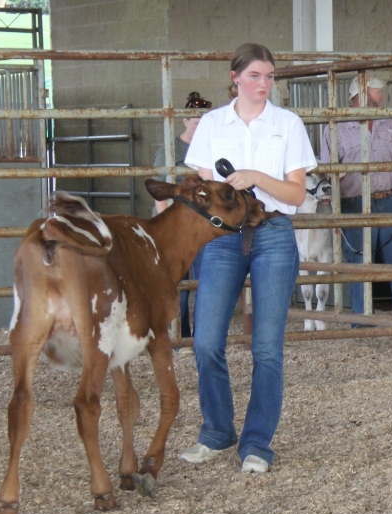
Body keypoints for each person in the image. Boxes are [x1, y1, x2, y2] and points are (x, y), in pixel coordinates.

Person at [180, 43, 317, 472]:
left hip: (273, 232)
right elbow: (199, 185)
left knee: (267, 346)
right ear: (235, 77)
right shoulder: (212, 124)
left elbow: (296, 192)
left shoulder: (288, 124)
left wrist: (258, 177)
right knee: (205, 341)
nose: (263, 84)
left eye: (270, 76)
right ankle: (217, 432)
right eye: (255, 76)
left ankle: (256, 443)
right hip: (222, 236)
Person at [319, 76, 392, 320]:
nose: (382, 97)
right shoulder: (335, 127)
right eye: (377, 93)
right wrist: (335, 180)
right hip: (354, 202)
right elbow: (327, 169)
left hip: (390, 200)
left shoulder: (390, 122)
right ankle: (363, 320)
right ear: (361, 94)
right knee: (359, 266)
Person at [152, 91, 213, 351]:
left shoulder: (211, 148)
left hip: (201, 227)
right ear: (185, 121)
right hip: (176, 226)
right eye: (194, 119)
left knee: (204, 281)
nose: (198, 122)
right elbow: (160, 192)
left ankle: (201, 337)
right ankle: (180, 338)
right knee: (179, 284)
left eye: (203, 119)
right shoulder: (169, 150)